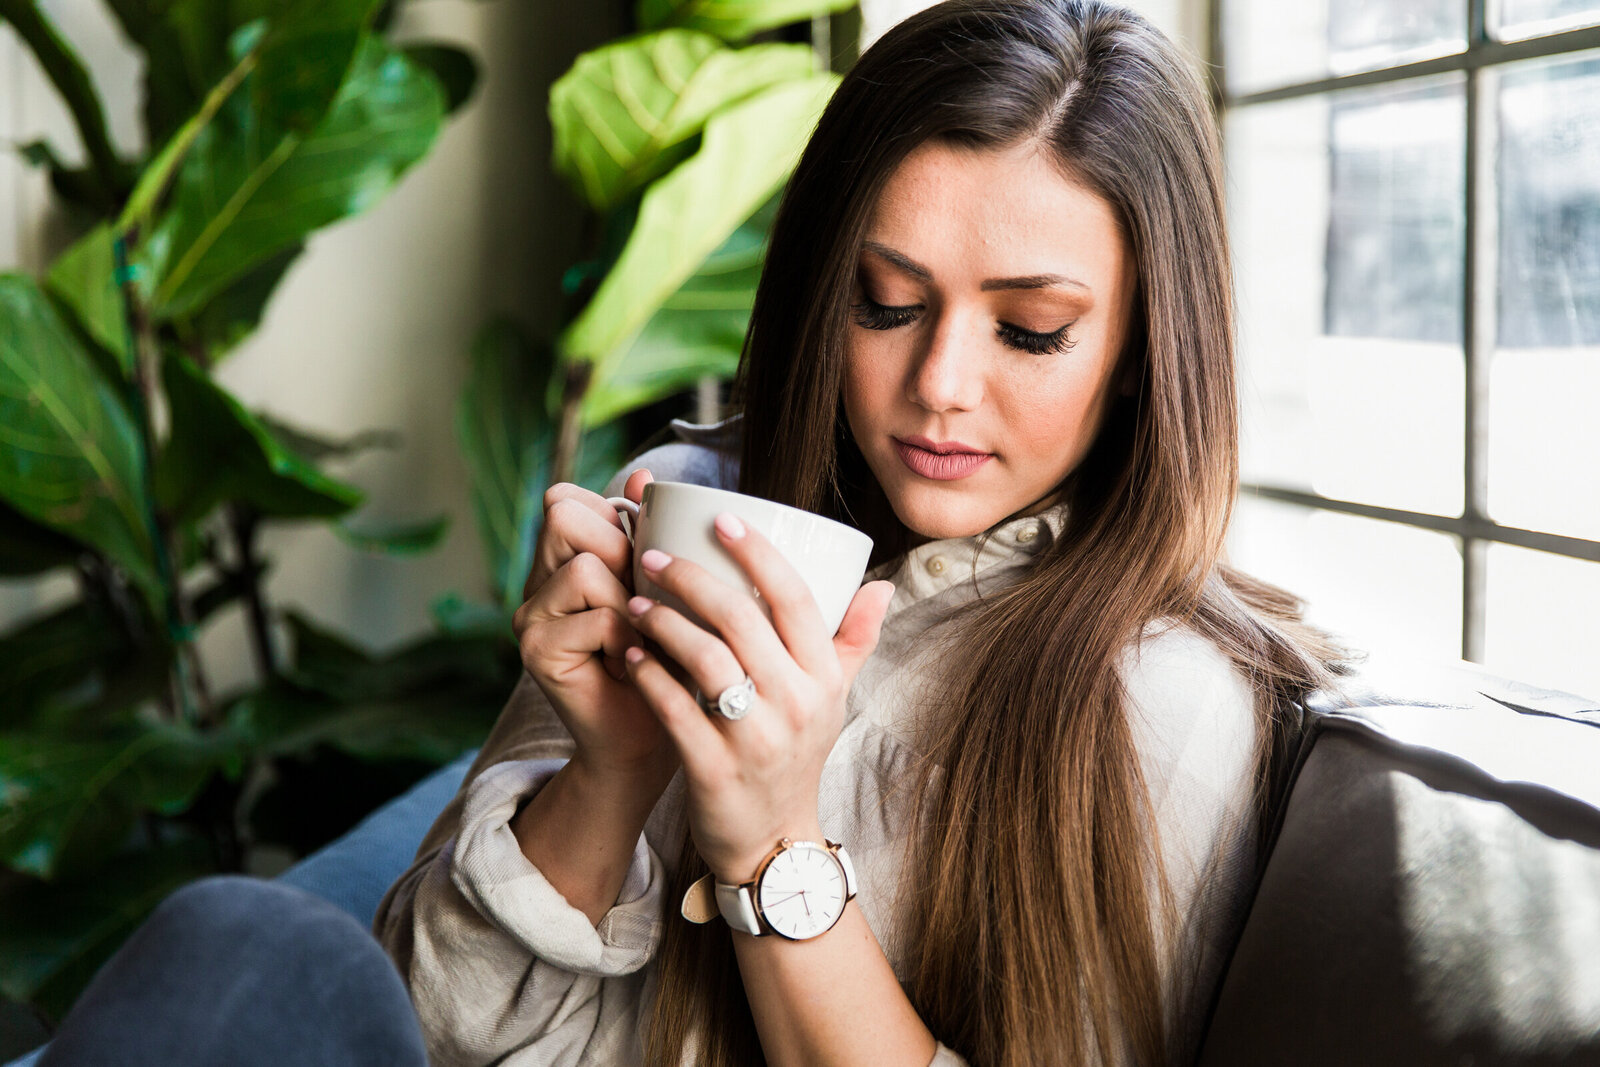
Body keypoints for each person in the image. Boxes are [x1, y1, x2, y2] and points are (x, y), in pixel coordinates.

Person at [374, 1, 1344, 1065]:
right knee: (240, 935)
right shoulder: (680, 500)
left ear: (1141, 352)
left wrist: (772, 844)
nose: (939, 387)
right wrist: (609, 767)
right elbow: (408, 1026)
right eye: (883, 303)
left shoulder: (1168, 701)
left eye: (1030, 331)